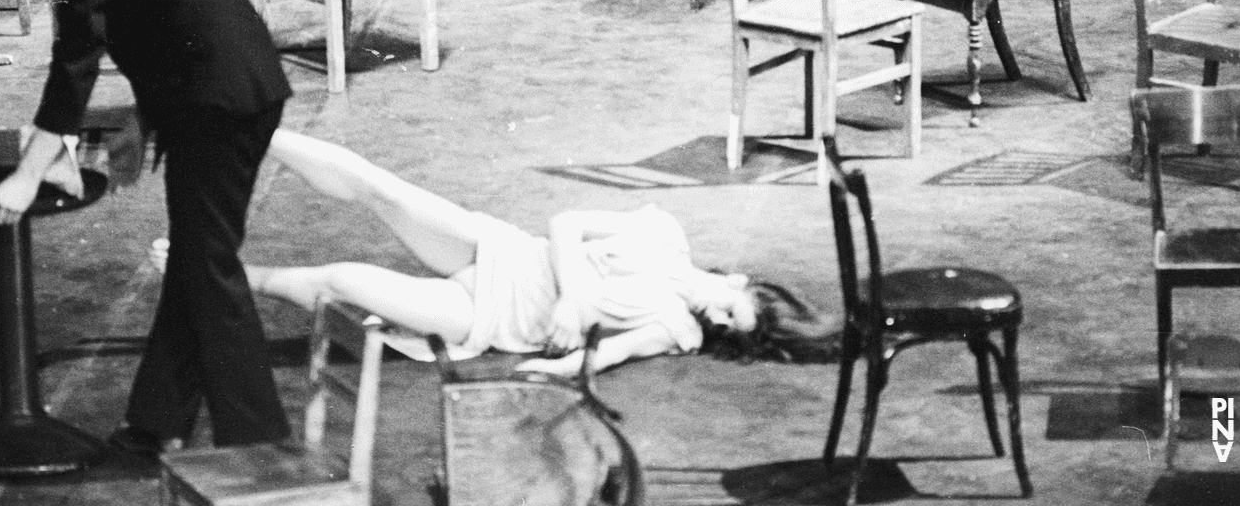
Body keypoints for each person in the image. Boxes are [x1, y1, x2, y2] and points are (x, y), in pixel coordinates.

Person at [0, 0, 293, 456]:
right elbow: (175, 19)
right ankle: (155, 420)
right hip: (252, 89)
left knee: (209, 269)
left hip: (216, 106)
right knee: (198, 258)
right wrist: (140, 124)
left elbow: (76, 65)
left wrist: (29, 172)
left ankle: (259, 449)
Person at [151, 131, 838, 376]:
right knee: (380, 188)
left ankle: (211, 273)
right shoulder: (663, 233)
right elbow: (566, 220)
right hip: (504, 251)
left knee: (342, 279)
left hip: (486, 313)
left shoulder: (675, 328)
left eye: (725, 330)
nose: (713, 318)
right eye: (729, 307)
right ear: (736, 279)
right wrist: (572, 298)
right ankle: (245, 128)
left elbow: (596, 359)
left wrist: (556, 368)